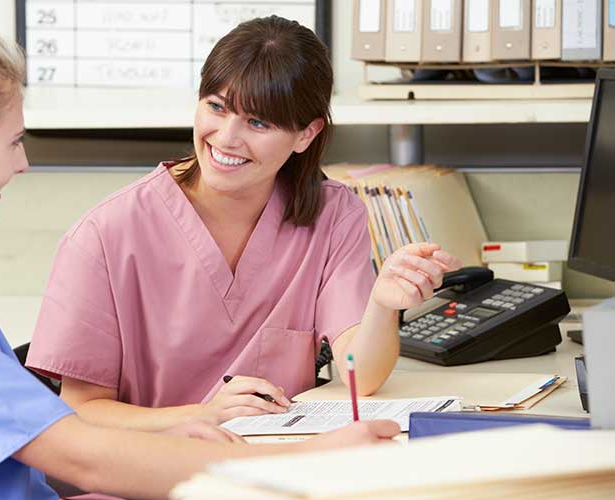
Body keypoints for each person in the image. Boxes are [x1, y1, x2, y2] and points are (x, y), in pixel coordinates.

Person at [0, 21, 401, 500]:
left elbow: (45, 444)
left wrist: (179, 439)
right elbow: (76, 453)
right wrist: (301, 460)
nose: (24, 163)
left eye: (258, 123)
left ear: (306, 134)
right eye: (15, 141)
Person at [27, 15, 461, 435]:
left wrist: (383, 306)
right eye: (216, 107)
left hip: (278, 470)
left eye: (257, 122)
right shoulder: (105, 234)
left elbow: (357, 378)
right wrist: (200, 417)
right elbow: (80, 412)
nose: (227, 137)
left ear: (306, 134)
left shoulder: (333, 216)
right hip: (153, 476)